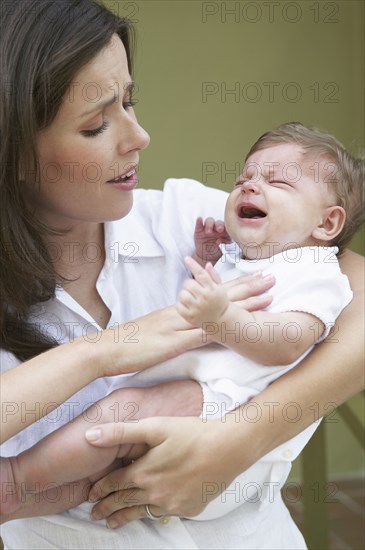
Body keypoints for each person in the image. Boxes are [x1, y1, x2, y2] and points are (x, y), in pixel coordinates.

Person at [0, 0, 364, 548]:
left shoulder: (183, 214)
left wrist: (239, 440)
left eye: (129, 100)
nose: (139, 136)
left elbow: (346, 281)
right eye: (98, 122)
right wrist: (103, 352)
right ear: (16, 151)